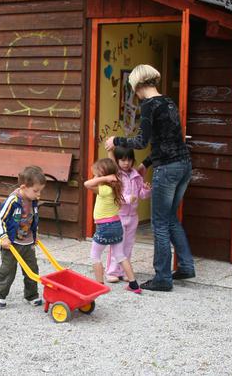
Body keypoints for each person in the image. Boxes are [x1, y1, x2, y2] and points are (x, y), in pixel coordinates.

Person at [105, 64, 194, 292]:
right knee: (171, 218)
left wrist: (117, 141)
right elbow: (167, 140)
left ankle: (162, 278)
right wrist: (145, 164)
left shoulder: (148, 105)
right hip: (184, 164)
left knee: (160, 223)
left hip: (168, 169)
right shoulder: (168, 102)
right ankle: (185, 265)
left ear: (137, 85)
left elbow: (142, 141)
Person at [84, 158, 141, 294]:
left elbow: (87, 184)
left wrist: (102, 178)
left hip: (105, 227)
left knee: (95, 255)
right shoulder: (116, 188)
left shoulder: (105, 189)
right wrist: (105, 178)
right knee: (120, 255)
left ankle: (99, 285)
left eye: (97, 175)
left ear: (105, 176)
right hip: (117, 225)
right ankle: (134, 285)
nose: (95, 177)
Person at [0, 166, 46, 309]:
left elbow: (33, 218)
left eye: (40, 190)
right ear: (24, 187)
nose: (38, 194)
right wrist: (3, 237)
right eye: (36, 191)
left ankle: (31, 295)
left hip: (27, 242)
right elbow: (0, 219)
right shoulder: (13, 201)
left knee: (32, 269)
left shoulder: (33, 200)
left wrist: (36, 234)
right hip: (11, 243)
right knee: (8, 270)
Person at [105, 146, 151, 283]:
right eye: (123, 160)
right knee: (117, 244)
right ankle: (112, 272)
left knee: (128, 245)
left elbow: (141, 195)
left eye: (129, 160)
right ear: (117, 161)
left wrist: (147, 190)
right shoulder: (116, 176)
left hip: (133, 217)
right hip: (118, 215)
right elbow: (114, 195)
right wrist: (126, 198)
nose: (126, 163)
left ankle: (125, 271)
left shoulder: (137, 176)